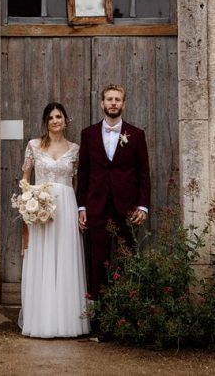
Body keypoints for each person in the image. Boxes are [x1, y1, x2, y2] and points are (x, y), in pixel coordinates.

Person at [18, 102, 90, 338]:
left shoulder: (75, 149)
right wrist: (28, 203)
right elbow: (26, 177)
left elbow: (78, 182)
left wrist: (78, 208)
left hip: (66, 206)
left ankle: (67, 321)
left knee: (65, 260)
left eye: (59, 116)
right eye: (51, 117)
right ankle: (42, 321)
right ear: (45, 122)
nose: (55, 120)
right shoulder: (34, 146)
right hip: (41, 208)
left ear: (65, 120)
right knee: (43, 260)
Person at [76, 84, 151, 298]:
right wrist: (81, 206)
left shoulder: (136, 135)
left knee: (127, 258)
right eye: (109, 99)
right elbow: (83, 174)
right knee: (97, 260)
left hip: (127, 209)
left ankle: (125, 310)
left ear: (123, 104)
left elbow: (144, 174)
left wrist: (143, 206)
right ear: (102, 103)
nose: (113, 103)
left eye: (117, 99)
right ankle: (98, 311)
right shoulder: (88, 134)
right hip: (96, 207)